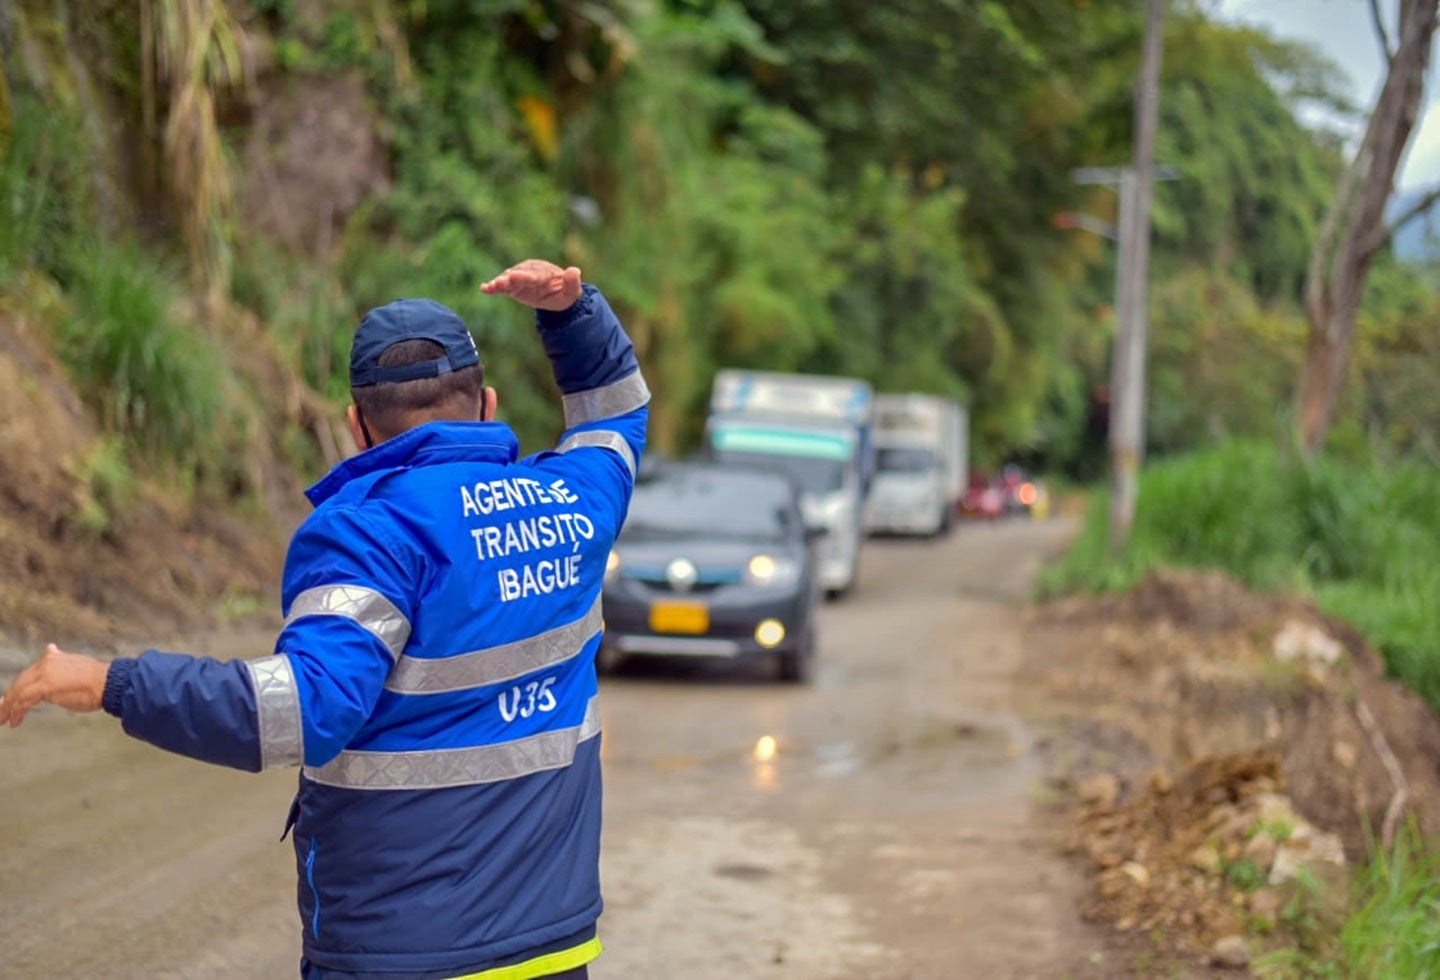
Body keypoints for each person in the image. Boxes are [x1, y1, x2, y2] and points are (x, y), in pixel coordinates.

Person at [0, 259, 648, 980]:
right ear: (489, 406)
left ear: (357, 428)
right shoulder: (572, 503)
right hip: (552, 946)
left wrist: (112, 682)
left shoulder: (368, 534)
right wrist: (573, 314)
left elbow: (301, 711)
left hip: (402, 955)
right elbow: (617, 420)